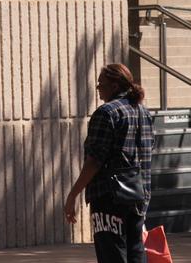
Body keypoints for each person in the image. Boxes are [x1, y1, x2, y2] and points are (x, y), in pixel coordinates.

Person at [64, 63, 154, 263]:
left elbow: (94, 160)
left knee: (112, 254)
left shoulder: (106, 113)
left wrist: (73, 194)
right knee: (136, 253)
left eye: (100, 84)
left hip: (109, 196)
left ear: (114, 86)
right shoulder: (143, 112)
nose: (98, 89)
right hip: (139, 196)